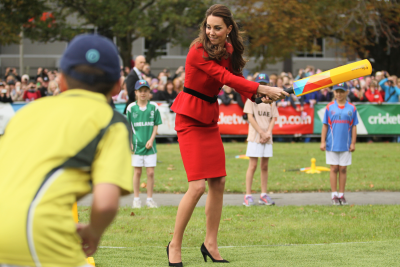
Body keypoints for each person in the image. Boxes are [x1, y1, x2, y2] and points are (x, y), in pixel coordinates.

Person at [167, 4, 287, 266]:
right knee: (197, 186)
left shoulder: (230, 50)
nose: (211, 32)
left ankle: (211, 243)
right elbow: (223, 76)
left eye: (217, 28)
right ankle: (174, 244)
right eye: (208, 27)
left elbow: (235, 76)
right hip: (189, 117)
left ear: (229, 29)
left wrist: (257, 95)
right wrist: (261, 86)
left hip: (208, 117)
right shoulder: (197, 50)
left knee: (218, 182)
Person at [0, 34, 132, 267]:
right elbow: (106, 203)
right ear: (117, 86)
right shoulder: (111, 123)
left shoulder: (27, 113)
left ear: (60, 80)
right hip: (36, 234)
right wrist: (93, 231)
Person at [243, 74, 279, 206]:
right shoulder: (252, 100)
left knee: (264, 166)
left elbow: (273, 118)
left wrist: (268, 133)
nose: (263, 86)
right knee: (252, 165)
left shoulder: (271, 101)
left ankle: (263, 194)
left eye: (265, 83)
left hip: (267, 138)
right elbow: (250, 117)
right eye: (260, 83)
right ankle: (248, 195)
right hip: (255, 137)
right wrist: (261, 133)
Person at [126, 79, 162, 209]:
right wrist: (129, 142)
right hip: (136, 145)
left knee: (151, 172)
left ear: (149, 92)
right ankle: (136, 199)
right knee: (137, 172)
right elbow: (128, 127)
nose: (143, 93)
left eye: (145, 91)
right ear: (135, 92)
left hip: (150, 146)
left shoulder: (154, 107)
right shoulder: (131, 108)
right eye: (140, 91)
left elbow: (156, 125)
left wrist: (151, 139)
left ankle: (149, 199)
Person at [320, 82, 358, 206]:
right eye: (337, 91)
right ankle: (334, 194)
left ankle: (341, 194)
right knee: (334, 168)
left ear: (347, 92)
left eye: (342, 91)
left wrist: (353, 142)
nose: (339, 94)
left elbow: (353, 127)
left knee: (343, 169)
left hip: (345, 144)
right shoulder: (329, 107)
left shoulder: (352, 108)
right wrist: (322, 141)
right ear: (334, 92)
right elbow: (325, 125)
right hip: (332, 144)